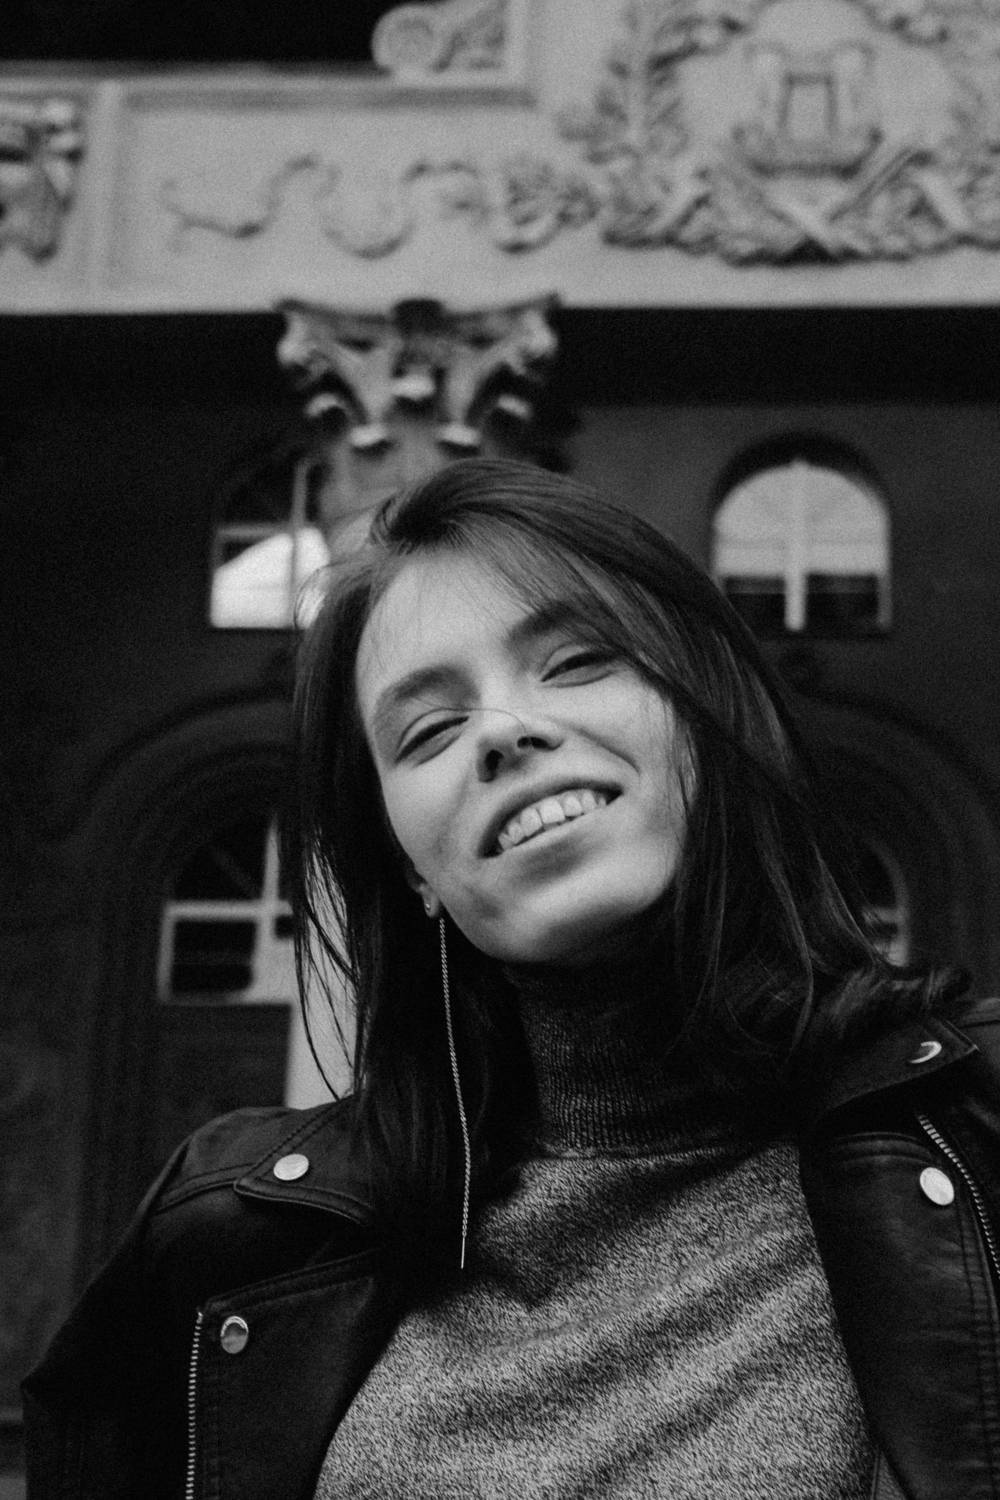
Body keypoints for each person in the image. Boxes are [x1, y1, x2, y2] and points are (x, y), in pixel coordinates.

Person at [23, 457, 1000, 1500]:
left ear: (708, 717)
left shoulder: (979, 1137)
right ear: (410, 867)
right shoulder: (230, 1241)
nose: (502, 732)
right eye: (429, 730)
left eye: (575, 661)